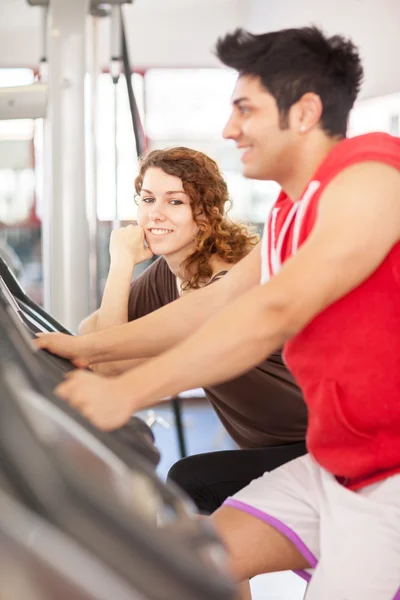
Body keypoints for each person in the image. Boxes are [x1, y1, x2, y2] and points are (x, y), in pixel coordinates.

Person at [35, 26, 400, 599]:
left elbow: (270, 311)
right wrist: (84, 350)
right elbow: (213, 305)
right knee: (192, 564)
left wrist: (126, 393)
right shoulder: (286, 214)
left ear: (304, 111)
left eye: (244, 110)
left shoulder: (373, 176)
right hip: (336, 462)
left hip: (391, 478)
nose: (230, 130)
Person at [77, 145, 308, 513]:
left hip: (314, 445)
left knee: (191, 481)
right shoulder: (169, 273)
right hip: (268, 447)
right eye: (148, 198)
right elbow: (92, 334)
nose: (155, 214)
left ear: (205, 214)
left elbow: (106, 361)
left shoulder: (230, 280)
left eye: (175, 202)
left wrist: (121, 262)